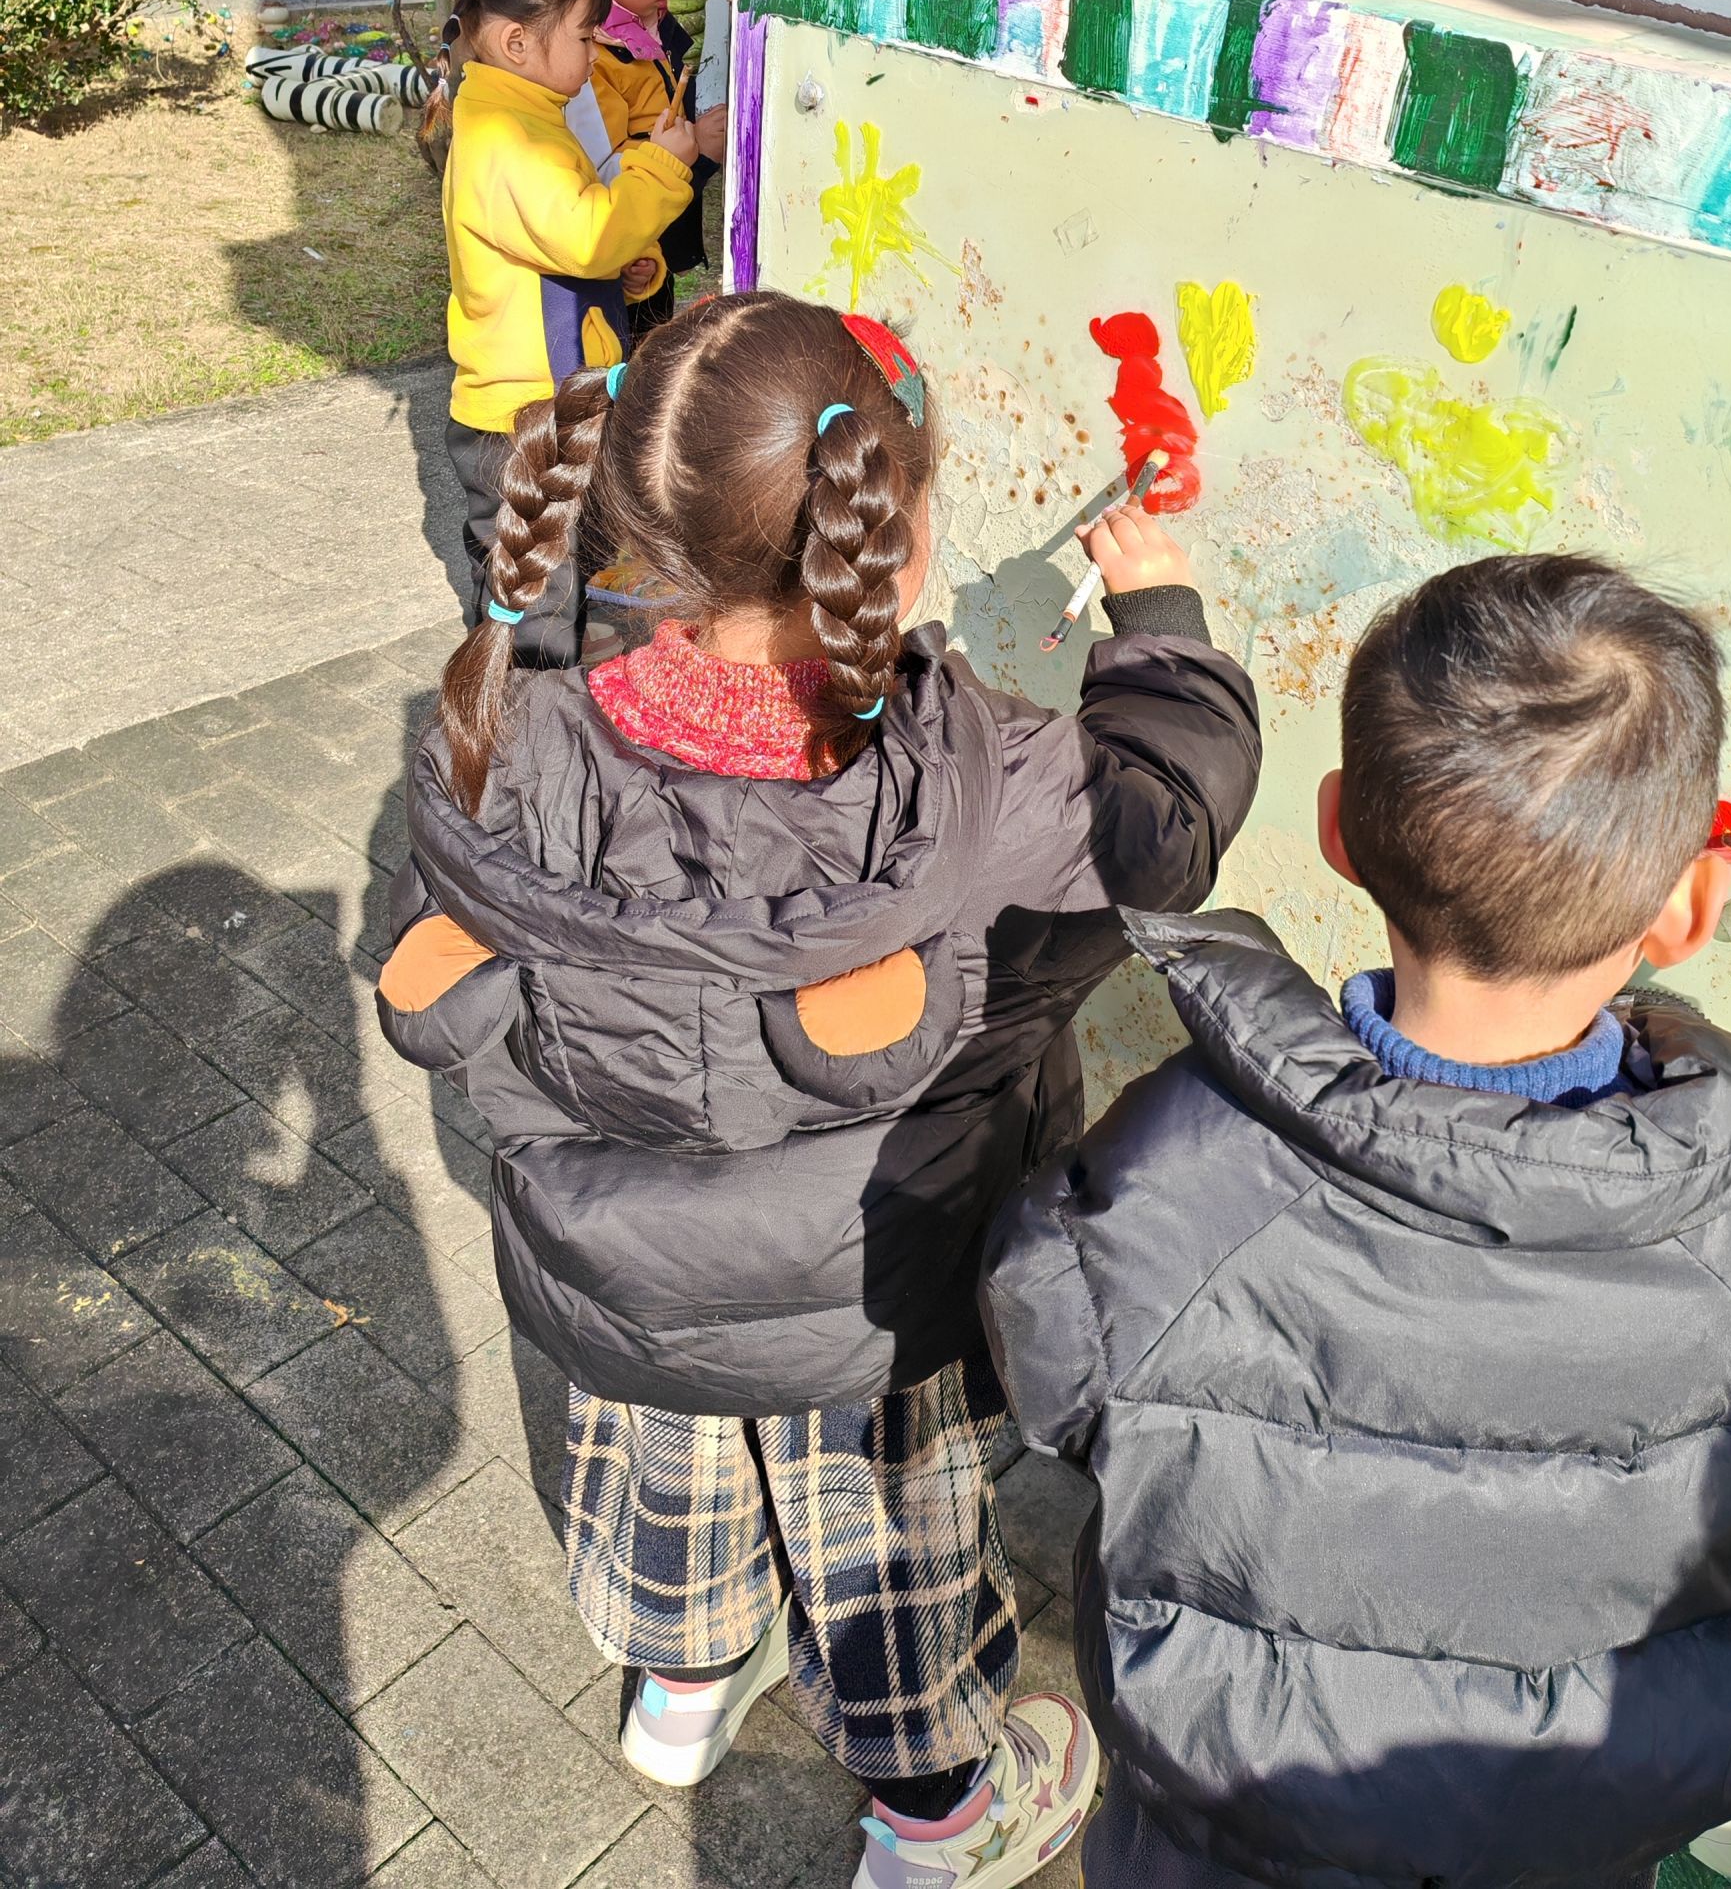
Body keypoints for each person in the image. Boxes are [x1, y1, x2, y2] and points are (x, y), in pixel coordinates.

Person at [982, 551, 1731, 1889]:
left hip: (1215, 1842)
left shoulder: (1178, 1159)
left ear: (1337, 830)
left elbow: (1045, 1342)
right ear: (1690, 906)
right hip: (1566, 1842)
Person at [376, 292, 1262, 1887]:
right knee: (886, 1567)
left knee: (673, 1473)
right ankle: (938, 1819)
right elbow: (1165, 826)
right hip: (868, 1294)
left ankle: (681, 1690)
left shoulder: (511, 729)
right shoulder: (975, 773)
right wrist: (1161, 625)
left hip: (624, 1273)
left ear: (637, 524)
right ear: (896, 542)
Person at [440, 0, 694, 666]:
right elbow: (585, 237)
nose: (594, 54)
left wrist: (633, 268)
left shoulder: (525, 115)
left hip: (547, 399)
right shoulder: (504, 136)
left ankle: (550, 684)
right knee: (533, 593)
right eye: (585, 37)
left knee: (557, 567)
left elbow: (573, 234)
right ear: (517, 43)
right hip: (521, 417)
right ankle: (523, 707)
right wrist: (658, 168)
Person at [525, 0, 723, 327]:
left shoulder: (642, 25)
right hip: (617, 278)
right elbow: (597, 181)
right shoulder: (582, 60)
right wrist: (695, 151)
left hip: (645, 252)